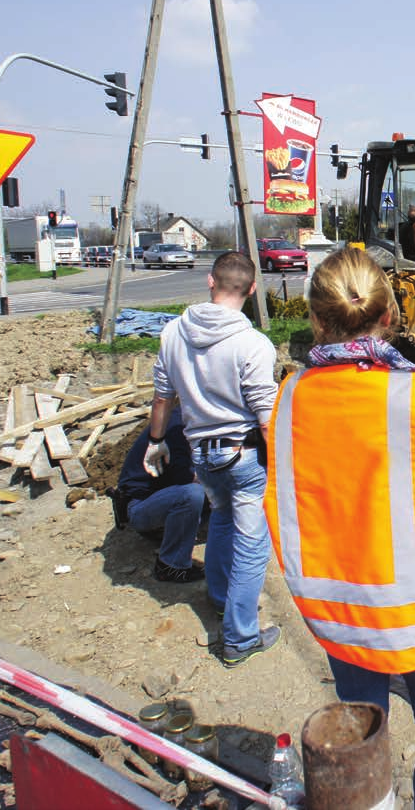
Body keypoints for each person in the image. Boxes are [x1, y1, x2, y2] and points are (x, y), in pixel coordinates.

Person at [265, 247, 415, 810]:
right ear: (389, 315)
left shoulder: (290, 397)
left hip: (338, 610)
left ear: (314, 319)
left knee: (361, 722)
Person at [147, 250, 281, 668]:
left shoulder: (172, 333)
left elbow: (162, 396)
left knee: (221, 518)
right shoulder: (253, 344)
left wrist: (156, 441)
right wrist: (281, 462)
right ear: (252, 289)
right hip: (241, 455)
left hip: (201, 455)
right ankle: (240, 638)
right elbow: (265, 413)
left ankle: (221, 598)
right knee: (253, 544)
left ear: (211, 281)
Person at [112, 411, 207, 584]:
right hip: (139, 506)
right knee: (193, 494)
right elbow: (184, 476)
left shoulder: (190, 418)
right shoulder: (178, 429)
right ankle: (171, 566)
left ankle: (177, 528)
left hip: (162, 495)